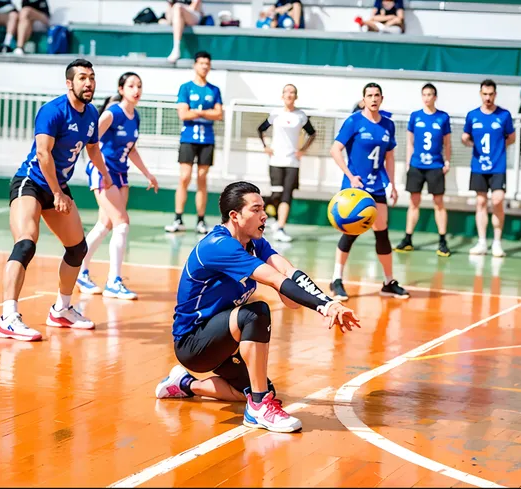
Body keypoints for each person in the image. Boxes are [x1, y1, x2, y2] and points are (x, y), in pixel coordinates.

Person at [155, 181, 360, 433]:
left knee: (260, 385)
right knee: (256, 314)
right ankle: (259, 407)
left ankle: (185, 384)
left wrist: (328, 302)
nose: (264, 215)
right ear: (235, 216)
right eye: (256, 209)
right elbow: (276, 279)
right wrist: (322, 308)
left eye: (263, 208)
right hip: (194, 343)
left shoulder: (255, 243)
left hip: (223, 339)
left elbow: (288, 272)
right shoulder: (219, 246)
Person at [0, 59, 112, 342]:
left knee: (77, 248)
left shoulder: (92, 113)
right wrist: (58, 193)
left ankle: (62, 309)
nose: (89, 83)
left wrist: (106, 174)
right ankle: (7, 317)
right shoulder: (52, 111)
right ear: (69, 83)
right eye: (83, 78)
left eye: (92, 78)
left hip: (57, 186)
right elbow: (44, 154)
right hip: (32, 182)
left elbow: (93, 148)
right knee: (25, 242)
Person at [76, 72, 160, 299]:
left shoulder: (136, 117)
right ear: (121, 89)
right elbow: (90, 141)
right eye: (131, 85)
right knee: (122, 222)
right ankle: (114, 281)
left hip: (121, 173)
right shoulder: (112, 113)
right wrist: (100, 170)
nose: (136, 90)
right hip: (104, 171)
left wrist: (147, 174)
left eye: (139, 85)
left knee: (105, 224)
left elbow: (131, 149)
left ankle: (79, 271)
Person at [328, 82, 410, 302]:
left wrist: (392, 184)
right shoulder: (354, 121)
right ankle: (336, 280)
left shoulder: (388, 125)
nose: (373, 99)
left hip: (377, 187)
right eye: (369, 95)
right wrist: (350, 175)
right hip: (355, 189)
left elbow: (389, 157)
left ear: (382, 99)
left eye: (377, 95)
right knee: (351, 231)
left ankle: (388, 282)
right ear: (363, 99)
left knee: (382, 232)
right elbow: (335, 149)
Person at [165, 52, 223, 235]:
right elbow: (183, 114)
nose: (205, 66)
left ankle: (200, 220)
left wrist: (197, 112)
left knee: (202, 178)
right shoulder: (186, 88)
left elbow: (219, 114)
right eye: (201, 63)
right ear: (195, 65)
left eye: (208, 63)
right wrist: (206, 112)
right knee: (184, 177)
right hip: (188, 138)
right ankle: (178, 217)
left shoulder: (214, 90)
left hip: (207, 139)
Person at [394, 83, 452, 257]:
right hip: (417, 165)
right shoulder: (415, 116)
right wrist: (408, 162)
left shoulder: (443, 117)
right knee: (414, 202)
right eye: (424, 95)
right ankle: (408, 239)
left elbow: (447, 143)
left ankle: (442, 241)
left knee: (439, 203)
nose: (427, 98)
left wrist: (447, 161)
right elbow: (410, 142)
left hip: (435, 165)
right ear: (422, 97)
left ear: (435, 97)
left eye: (430, 95)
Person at [462, 79, 515, 257]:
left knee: (498, 200)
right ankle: (482, 241)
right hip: (478, 165)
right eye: (485, 94)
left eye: (491, 94)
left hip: (497, 165)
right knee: (481, 202)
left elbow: (512, 137)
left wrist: (498, 149)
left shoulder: (504, 115)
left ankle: (497, 242)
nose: (488, 97)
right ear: (480, 94)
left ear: (495, 94)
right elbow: (466, 136)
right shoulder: (472, 115)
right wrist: (466, 141)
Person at [256, 84, 317, 243]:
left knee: (287, 194)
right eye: (287, 92)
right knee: (276, 194)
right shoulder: (275, 114)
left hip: (292, 161)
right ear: (282, 96)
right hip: (276, 159)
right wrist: (266, 147)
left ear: (296, 97)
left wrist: (302, 150)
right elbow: (260, 129)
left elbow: (312, 134)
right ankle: (275, 219)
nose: (289, 95)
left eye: (292, 92)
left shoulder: (301, 115)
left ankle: (281, 227)